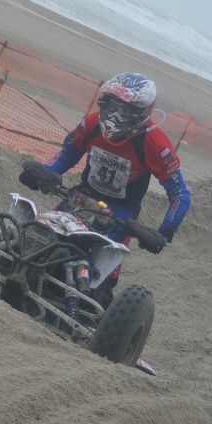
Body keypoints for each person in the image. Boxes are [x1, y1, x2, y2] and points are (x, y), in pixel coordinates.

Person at [21, 73, 191, 305]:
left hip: (119, 217)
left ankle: (84, 307)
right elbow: (68, 154)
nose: (114, 115)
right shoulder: (92, 123)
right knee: (34, 235)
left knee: (99, 284)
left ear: (142, 112)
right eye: (111, 105)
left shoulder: (155, 143)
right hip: (77, 198)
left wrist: (163, 232)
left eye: (125, 111)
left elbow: (180, 194)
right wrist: (46, 174)